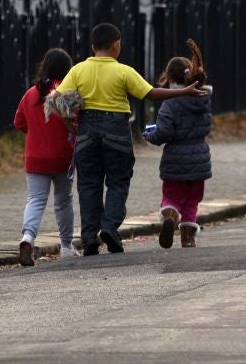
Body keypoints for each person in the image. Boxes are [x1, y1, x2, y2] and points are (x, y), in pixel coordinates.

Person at [57, 22, 204, 255]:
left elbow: (59, 100)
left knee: (88, 185)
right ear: (116, 45)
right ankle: (109, 228)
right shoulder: (123, 71)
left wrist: (72, 127)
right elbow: (151, 93)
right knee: (117, 180)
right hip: (116, 129)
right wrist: (183, 91)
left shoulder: (77, 70)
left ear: (93, 46)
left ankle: (89, 237)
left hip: (86, 129)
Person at [145, 40, 213, 250]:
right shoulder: (204, 99)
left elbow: (164, 132)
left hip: (175, 158)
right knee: (192, 200)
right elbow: (207, 127)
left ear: (169, 78)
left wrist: (151, 135)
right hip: (200, 157)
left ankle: (170, 216)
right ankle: (188, 238)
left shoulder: (170, 103)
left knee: (173, 196)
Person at [13, 47, 77, 266]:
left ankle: (27, 237)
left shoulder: (31, 93)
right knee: (63, 201)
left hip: (36, 157)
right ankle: (67, 246)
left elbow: (19, 123)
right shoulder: (67, 94)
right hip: (63, 157)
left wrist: (37, 133)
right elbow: (77, 122)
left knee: (36, 200)